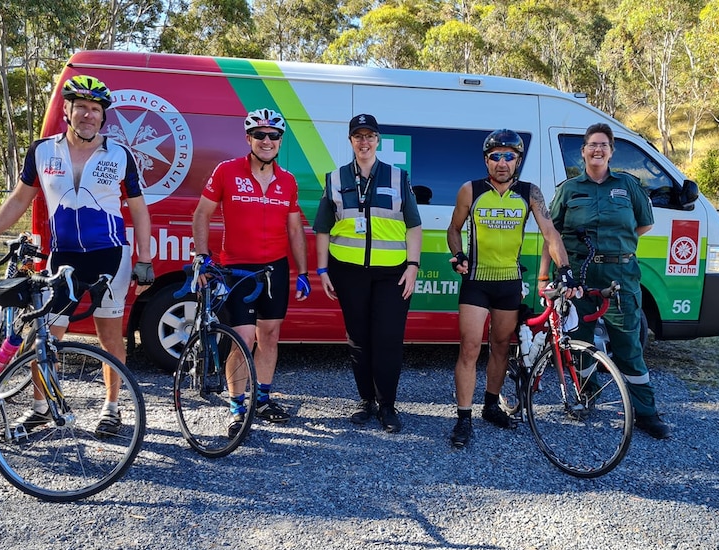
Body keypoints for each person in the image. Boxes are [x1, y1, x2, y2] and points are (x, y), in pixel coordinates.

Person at [0, 75, 154, 437]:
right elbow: (20, 199)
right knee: (45, 336)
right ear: (67, 110)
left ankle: (111, 408)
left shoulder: (119, 154)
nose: (88, 115)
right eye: (81, 107)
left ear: (103, 116)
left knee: (110, 337)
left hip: (110, 256)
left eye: (96, 109)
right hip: (61, 257)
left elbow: (139, 210)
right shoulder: (42, 151)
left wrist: (145, 259)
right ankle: (41, 408)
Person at [446, 129, 577, 448]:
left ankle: (491, 405)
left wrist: (566, 271)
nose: (502, 163)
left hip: (508, 283)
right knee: (470, 348)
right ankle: (463, 418)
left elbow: (550, 233)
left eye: (509, 156)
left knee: (502, 346)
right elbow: (454, 229)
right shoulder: (470, 190)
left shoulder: (530, 192)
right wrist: (458, 254)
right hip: (476, 281)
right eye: (495, 156)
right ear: (486, 160)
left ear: (518, 160)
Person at [541, 122, 672, 439]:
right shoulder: (569, 190)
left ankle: (645, 413)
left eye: (603, 145)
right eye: (591, 144)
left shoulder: (628, 186)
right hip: (579, 278)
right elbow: (551, 234)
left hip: (620, 278)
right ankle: (589, 398)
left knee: (628, 347)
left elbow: (644, 225)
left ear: (611, 151)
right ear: (583, 151)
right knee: (581, 344)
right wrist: (544, 275)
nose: (597, 149)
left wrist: (616, 248)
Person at [192, 108, 310, 435]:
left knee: (269, 335)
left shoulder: (287, 180)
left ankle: (262, 399)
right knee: (243, 338)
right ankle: (236, 405)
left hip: (275, 268)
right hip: (237, 270)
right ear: (249, 139)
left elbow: (295, 228)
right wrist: (202, 255)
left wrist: (302, 270)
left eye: (273, 135)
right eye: (260, 134)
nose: (267, 140)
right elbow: (201, 214)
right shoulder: (227, 171)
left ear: (280, 141)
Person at [314, 113, 422, 433]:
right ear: (350, 141)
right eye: (358, 136)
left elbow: (414, 226)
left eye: (369, 136)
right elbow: (323, 228)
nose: (364, 142)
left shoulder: (397, 177)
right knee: (359, 340)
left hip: (392, 273)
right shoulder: (334, 178)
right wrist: (322, 269)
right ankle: (366, 402)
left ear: (378, 141)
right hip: (347, 272)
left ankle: (387, 405)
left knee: (388, 339)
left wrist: (413, 267)